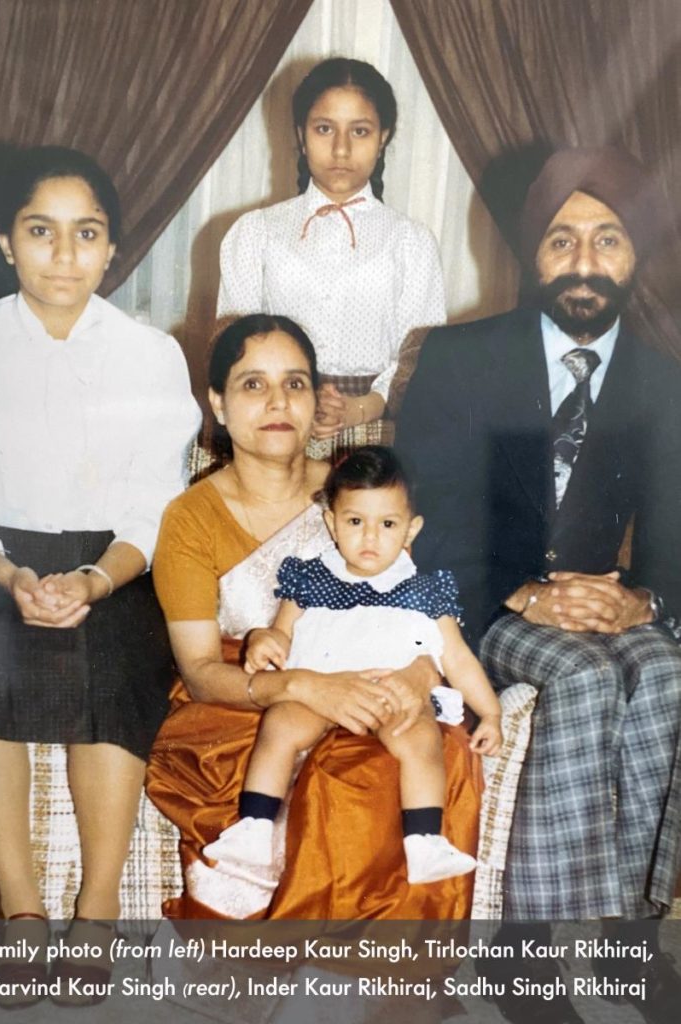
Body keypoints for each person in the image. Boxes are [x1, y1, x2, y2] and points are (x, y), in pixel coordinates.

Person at [396, 146, 681, 1020]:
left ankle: (629, 937)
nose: (585, 263)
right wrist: (522, 593)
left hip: (603, 595)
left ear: (636, 257)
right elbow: (428, 512)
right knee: (588, 680)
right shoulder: (463, 357)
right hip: (487, 598)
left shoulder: (665, 380)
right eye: (562, 242)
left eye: (608, 241)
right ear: (532, 253)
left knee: (668, 672)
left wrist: (646, 600)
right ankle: (522, 952)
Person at [0, 146, 200, 998]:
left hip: (113, 564)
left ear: (112, 249)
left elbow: (154, 510)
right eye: (41, 232)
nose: (64, 255)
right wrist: (6, 573)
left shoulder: (151, 355)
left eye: (85, 234)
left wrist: (93, 581)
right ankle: (21, 912)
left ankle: (94, 913)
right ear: (6, 245)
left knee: (124, 656)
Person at [147, 316, 482, 920]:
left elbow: (420, 615)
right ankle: (290, 968)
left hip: (376, 683)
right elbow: (199, 672)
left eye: (296, 384)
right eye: (253, 385)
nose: (278, 402)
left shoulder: (367, 502)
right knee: (336, 776)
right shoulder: (190, 519)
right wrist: (304, 686)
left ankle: (375, 987)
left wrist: (419, 676)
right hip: (246, 702)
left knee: (427, 755)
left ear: (317, 400)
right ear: (218, 403)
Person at [202, 446, 502, 901]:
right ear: (331, 522)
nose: (370, 538)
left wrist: (491, 713)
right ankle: (255, 826)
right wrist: (264, 641)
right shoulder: (309, 578)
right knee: (280, 723)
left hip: (392, 694)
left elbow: (457, 659)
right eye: (355, 521)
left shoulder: (425, 588)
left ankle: (424, 838)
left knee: (418, 738)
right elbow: (280, 635)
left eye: (387, 524)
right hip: (317, 690)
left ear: (411, 529)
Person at [217, 57, 445, 447]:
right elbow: (232, 349)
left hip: (376, 434)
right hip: (275, 426)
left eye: (360, 131)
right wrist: (295, 398)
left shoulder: (411, 242)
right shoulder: (255, 233)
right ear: (301, 136)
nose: (341, 149)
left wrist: (360, 407)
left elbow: (418, 358)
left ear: (383, 137)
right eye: (325, 129)